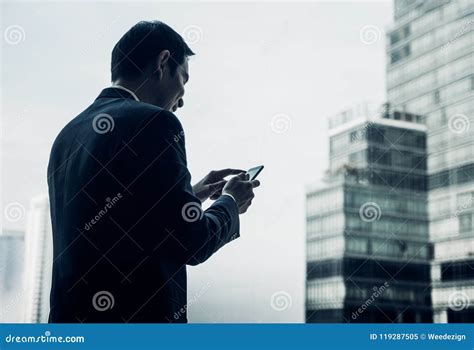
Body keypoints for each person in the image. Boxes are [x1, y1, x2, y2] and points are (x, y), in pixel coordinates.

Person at [47, 20, 260, 323]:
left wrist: (193, 195)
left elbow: (119, 219)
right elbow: (192, 241)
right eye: (183, 79)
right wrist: (230, 203)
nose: (182, 98)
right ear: (162, 62)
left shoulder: (67, 136)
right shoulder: (156, 123)